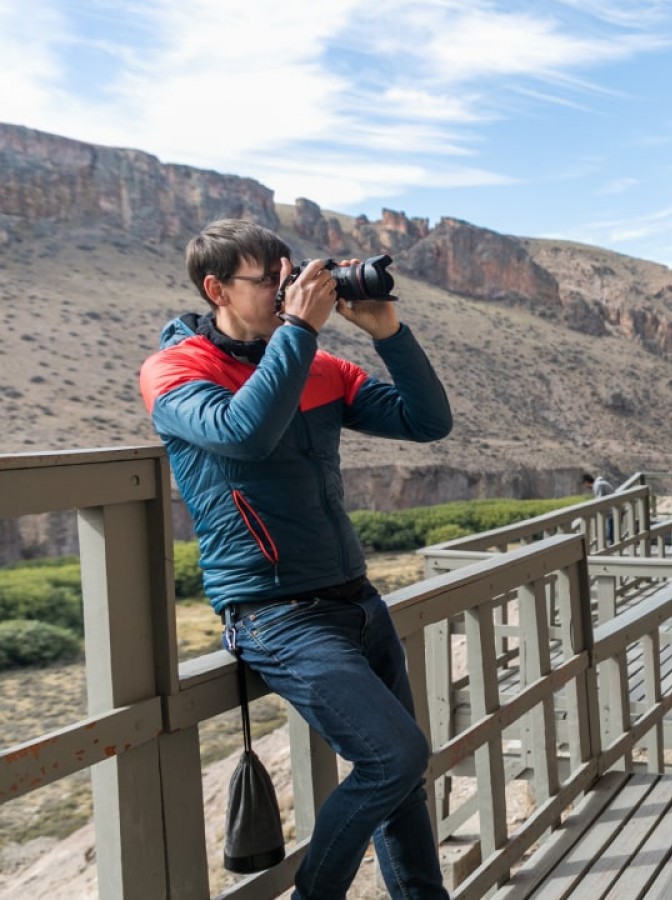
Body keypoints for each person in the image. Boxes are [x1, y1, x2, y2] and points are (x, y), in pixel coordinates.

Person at [138, 219, 452, 898]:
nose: (288, 289)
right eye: (269, 280)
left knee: (401, 781)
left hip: (356, 600)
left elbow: (426, 422)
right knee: (394, 758)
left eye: (291, 274)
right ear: (216, 288)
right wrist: (299, 332)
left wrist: (389, 332)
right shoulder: (176, 369)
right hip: (276, 614)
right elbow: (242, 433)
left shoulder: (313, 366)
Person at [582, 472, 616, 543]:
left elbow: (599, 501)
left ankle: (614, 551)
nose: (585, 487)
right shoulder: (599, 484)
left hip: (613, 511)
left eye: (584, 485)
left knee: (611, 536)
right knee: (610, 534)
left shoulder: (598, 485)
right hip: (613, 510)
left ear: (586, 482)